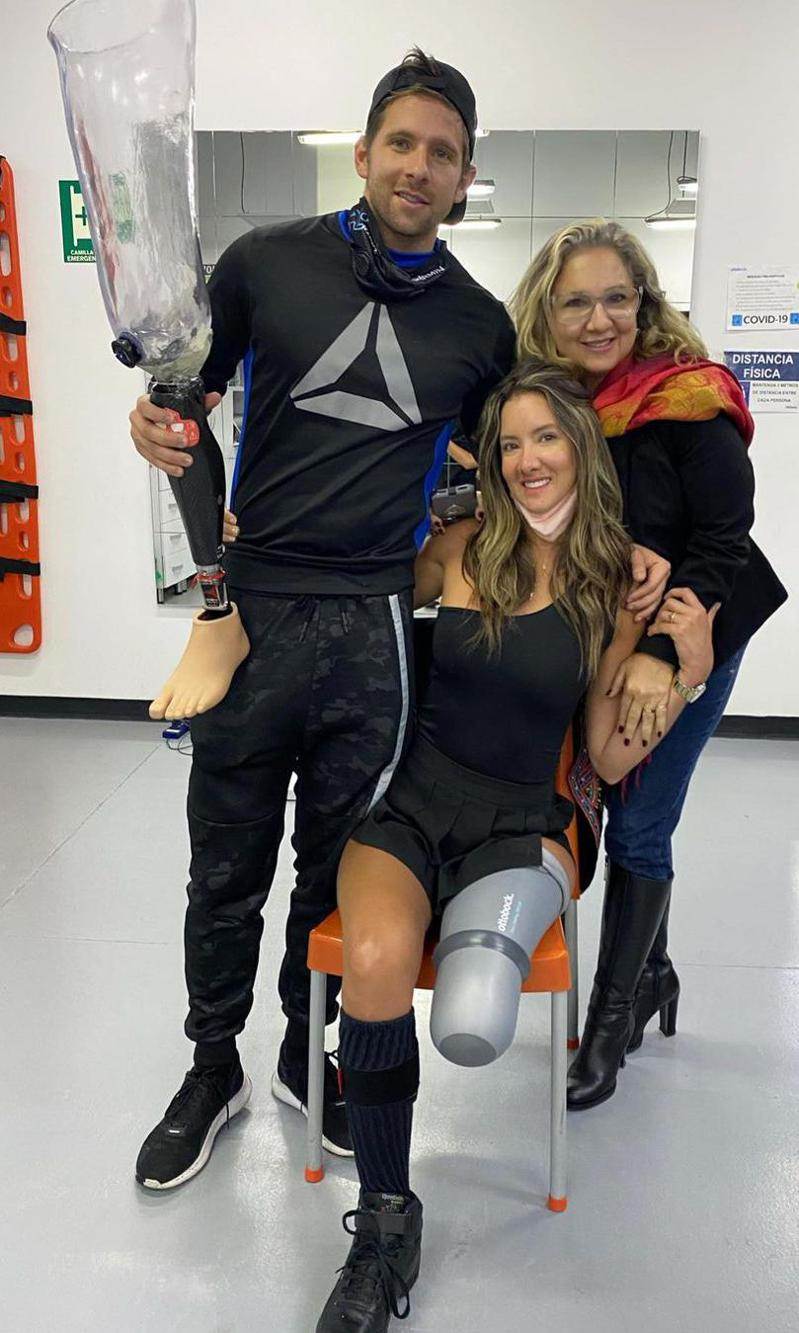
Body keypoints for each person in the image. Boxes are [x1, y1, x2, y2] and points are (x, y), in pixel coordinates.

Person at [127, 49, 521, 1189]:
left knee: (338, 870)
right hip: (248, 619)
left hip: (375, 628)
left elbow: (513, 469)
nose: (417, 166)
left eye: (442, 154)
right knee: (224, 864)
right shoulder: (266, 264)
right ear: (362, 153)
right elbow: (182, 403)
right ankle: (212, 1065)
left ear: (464, 179)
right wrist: (153, 424)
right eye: (401, 142)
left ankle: (313, 1053)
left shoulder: (479, 326)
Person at [314, 362, 717, 1333]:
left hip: (522, 824)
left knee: (473, 1016)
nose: (527, 459)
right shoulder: (459, 546)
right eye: (509, 443)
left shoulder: (615, 586)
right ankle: (384, 1221)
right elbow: (355, 586)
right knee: (373, 959)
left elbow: (607, 756)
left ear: (579, 448)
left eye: (545, 438)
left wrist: (686, 672)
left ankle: (379, 1106)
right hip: (410, 805)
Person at [510, 220, 787, 1110]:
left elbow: (721, 538)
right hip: (604, 631)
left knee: (637, 824)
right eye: (576, 302)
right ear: (546, 311)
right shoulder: (547, 404)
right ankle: (655, 970)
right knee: (612, 797)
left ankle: (608, 1025)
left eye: (616, 298)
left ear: (643, 302)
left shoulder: (686, 396)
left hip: (697, 627)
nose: (598, 320)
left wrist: (666, 657)